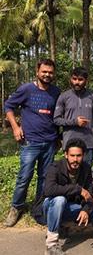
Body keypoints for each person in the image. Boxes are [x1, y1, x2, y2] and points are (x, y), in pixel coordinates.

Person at [3, 59, 60, 227]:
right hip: (30, 142)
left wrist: (58, 137)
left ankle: (39, 208)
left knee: (44, 177)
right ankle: (16, 207)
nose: (47, 75)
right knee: (24, 176)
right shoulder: (27, 89)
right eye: (44, 72)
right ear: (37, 71)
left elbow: (57, 116)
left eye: (50, 72)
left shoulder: (56, 92)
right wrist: (15, 127)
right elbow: (8, 106)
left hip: (49, 142)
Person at [42, 139, 93, 255]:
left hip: (70, 207)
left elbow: (89, 195)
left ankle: (62, 225)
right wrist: (77, 189)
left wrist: (85, 210)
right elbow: (48, 190)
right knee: (60, 199)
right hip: (50, 206)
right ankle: (51, 245)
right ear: (66, 155)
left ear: (83, 155)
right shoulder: (55, 167)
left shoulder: (85, 168)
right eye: (72, 155)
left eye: (78, 156)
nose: (75, 159)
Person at [54, 67, 93, 166]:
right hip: (70, 142)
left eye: (80, 80)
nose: (77, 82)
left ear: (86, 81)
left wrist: (89, 125)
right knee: (70, 173)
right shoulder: (64, 96)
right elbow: (56, 120)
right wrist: (74, 122)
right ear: (70, 79)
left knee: (86, 172)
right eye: (74, 79)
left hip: (88, 142)